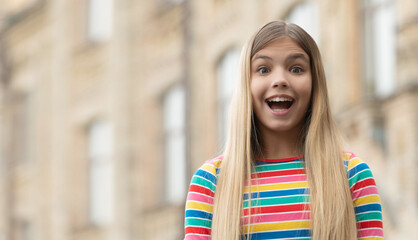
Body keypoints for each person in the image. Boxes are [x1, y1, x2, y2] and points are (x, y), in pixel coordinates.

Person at [184, 20, 383, 240]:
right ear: (245, 84)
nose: (280, 80)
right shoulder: (210, 182)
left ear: (315, 83)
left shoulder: (352, 175)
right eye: (263, 69)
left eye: (296, 69)